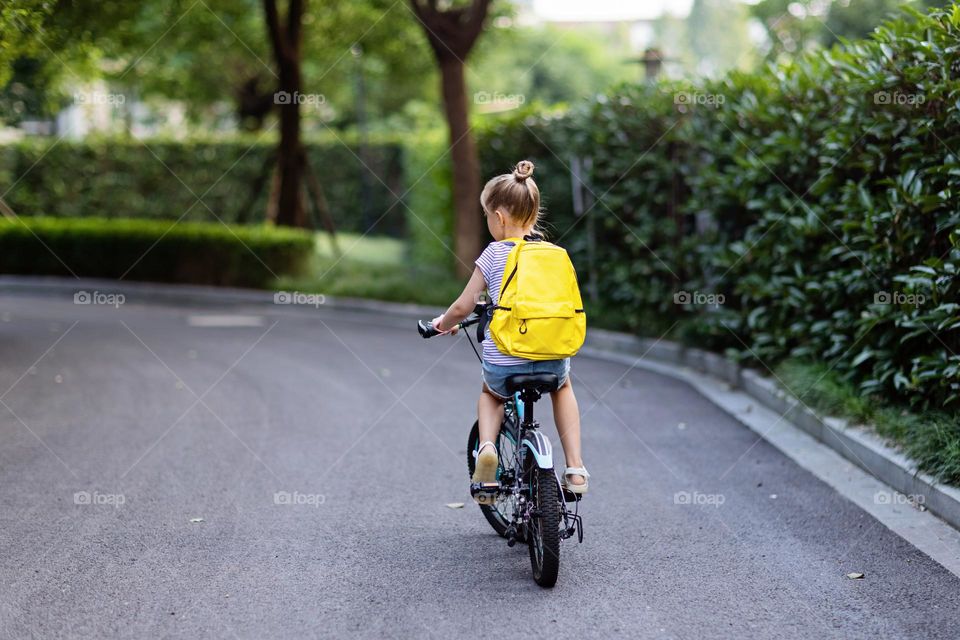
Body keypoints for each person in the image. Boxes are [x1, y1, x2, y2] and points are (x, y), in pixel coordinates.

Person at [430, 160, 589, 502]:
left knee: (491, 394)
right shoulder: (555, 254)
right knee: (563, 387)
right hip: (552, 356)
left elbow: (464, 306)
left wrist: (442, 324)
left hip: (506, 360)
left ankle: (486, 448)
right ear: (533, 216)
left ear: (499, 218)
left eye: (487, 215)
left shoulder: (494, 253)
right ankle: (575, 467)